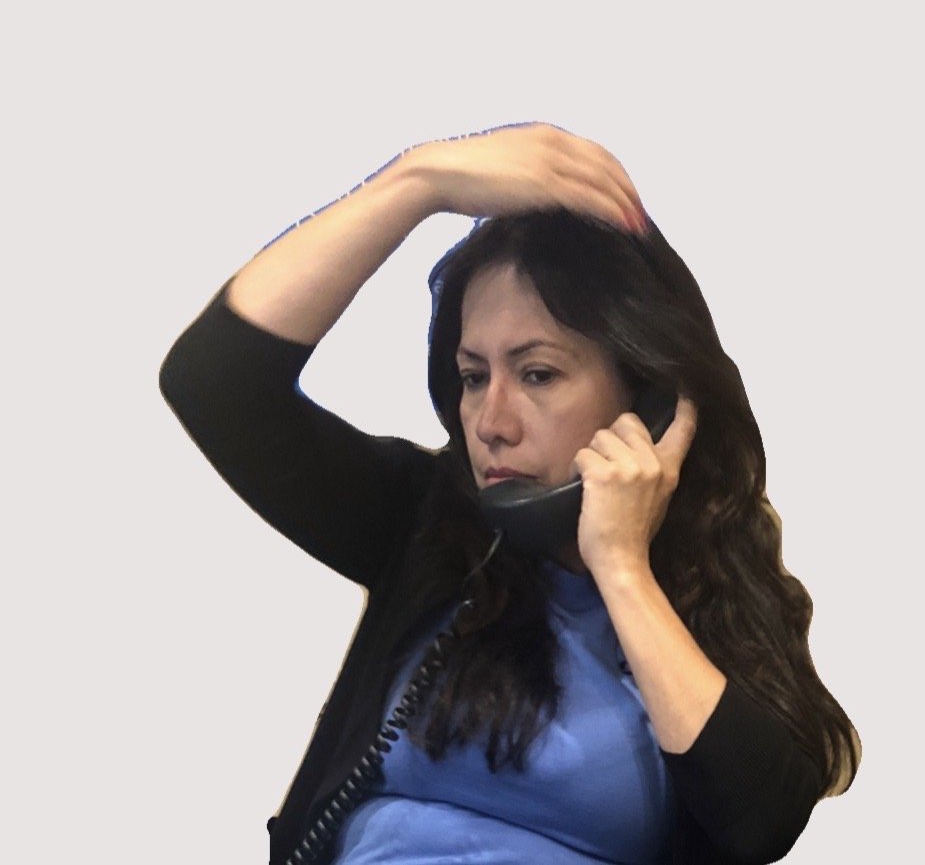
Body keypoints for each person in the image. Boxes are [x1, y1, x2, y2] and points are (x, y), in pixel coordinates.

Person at [159, 122, 861, 864]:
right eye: (473, 377)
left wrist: (622, 568)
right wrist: (416, 183)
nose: (491, 422)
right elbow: (216, 382)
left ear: (647, 399)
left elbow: (760, 823)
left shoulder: (710, 591)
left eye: (537, 375)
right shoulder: (428, 525)